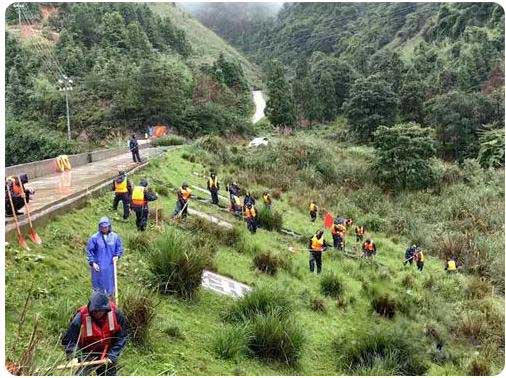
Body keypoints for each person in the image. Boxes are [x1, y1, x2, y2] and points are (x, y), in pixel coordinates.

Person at [62, 291, 127, 376]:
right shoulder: (80, 318)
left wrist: (113, 355)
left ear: (105, 309)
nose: (97, 314)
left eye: (100, 311)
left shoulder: (116, 314)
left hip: (107, 354)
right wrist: (74, 355)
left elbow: (121, 337)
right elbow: (69, 340)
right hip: (85, 355)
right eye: (95, 311)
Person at [86, 217, 123, 296]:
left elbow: (119, 248)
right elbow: (90, 251)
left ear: (109, 226)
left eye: (106, 227)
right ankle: (98, 303)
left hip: (110, 266)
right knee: (98, 287)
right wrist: (93, 263)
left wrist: (117, 256)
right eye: (102, 227)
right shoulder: (94, 238)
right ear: (99, 227)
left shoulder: (115, 237)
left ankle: (110, 302)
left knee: (110, 284)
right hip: (98, 267)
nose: (104, 229)